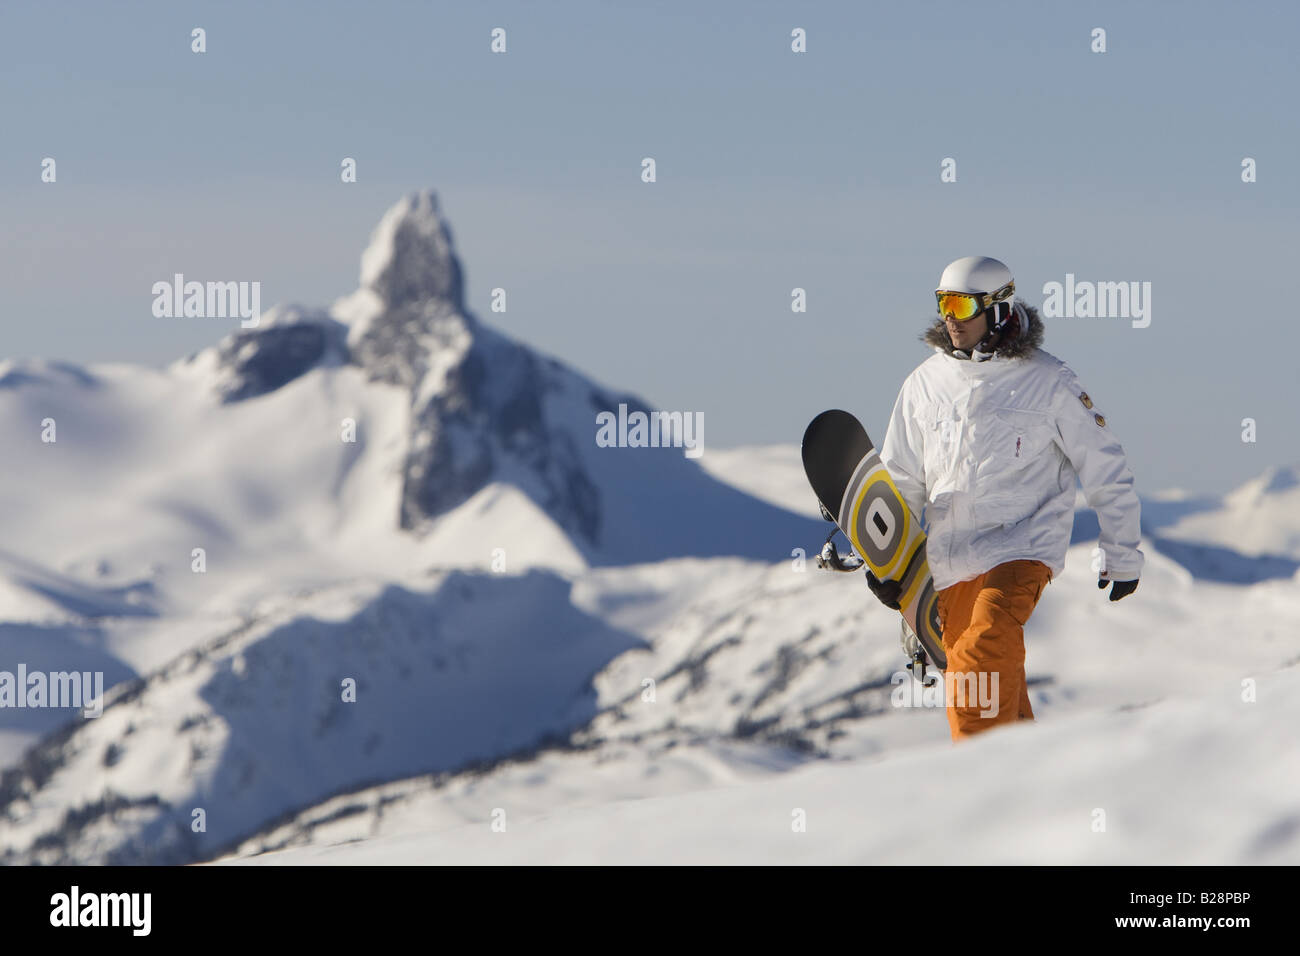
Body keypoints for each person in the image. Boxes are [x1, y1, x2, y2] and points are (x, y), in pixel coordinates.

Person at [871, 256, 1142, 741]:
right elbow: (903, 479)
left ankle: (976, 787)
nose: (949, 317)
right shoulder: (923, 384)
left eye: (961, 304)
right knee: (988, 690)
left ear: (998, 309)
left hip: (1021, 547)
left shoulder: (1048, 380)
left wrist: (1122, 552)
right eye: (942, 303)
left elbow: (1103, 462)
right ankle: (1031, 795)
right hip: (951, 562)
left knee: (984, 647)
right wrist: (891, 566)